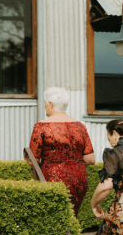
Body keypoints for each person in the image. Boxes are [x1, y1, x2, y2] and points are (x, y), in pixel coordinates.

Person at [29, 87, 95, 215]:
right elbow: (90, 159)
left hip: (52, 177)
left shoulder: (41, 126)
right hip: (78, 177)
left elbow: (33, 159)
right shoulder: (80, 127)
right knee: (72, 217)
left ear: (51, 105)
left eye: (45, 103)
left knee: (53, 218)